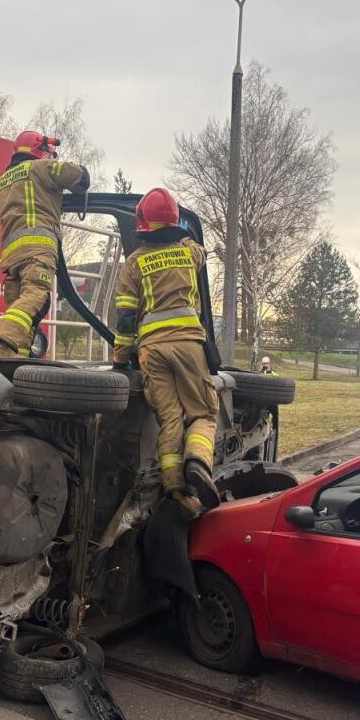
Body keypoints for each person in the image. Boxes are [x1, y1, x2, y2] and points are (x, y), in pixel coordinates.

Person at [111, 187, 219, 514]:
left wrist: (120, 357)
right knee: (203, 412)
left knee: (169, 418)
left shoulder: (134, 263)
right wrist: (186, 239)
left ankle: (174, 485)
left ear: (143, 228)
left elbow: (126, 316)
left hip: (152, 351)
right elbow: (200, 249)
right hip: (188, 344)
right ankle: (198, 462)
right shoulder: (189, 254)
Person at [0, 131, 90, 359]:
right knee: (38, 297)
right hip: (37, 250)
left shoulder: (3, 181)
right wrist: (83, 175)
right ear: (41, 151)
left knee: (23, 313)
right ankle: (4, 337)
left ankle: (18, 357)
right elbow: (76, 175)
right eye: (50, 154)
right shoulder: (39, 168)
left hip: (12, 257)